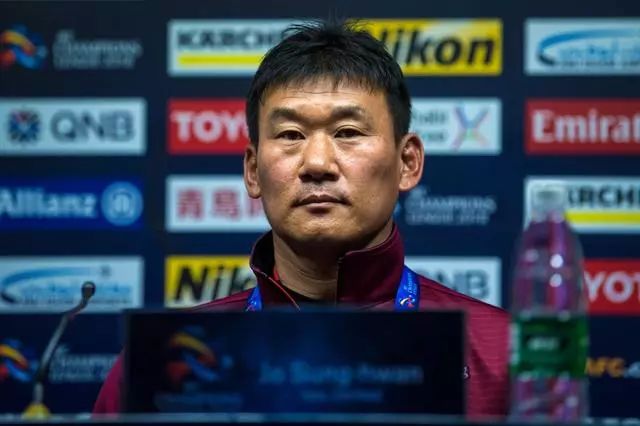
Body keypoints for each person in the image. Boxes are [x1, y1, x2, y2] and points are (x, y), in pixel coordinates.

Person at [93, 19, 508, 417]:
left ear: (407, 162)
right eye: (291, 135)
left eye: (347, 132)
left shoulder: (502, 357)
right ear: (253, 171)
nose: (317, 163)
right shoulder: (163, 364)